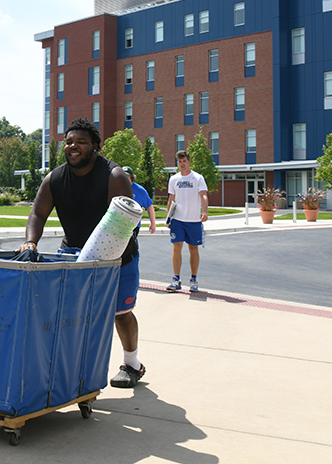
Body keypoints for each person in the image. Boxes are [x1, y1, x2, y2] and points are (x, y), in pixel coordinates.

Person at [18, 117, 145, 388]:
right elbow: (38, 213)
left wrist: (106, 255)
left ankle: (132, 364)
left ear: (96, 146)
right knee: (71, 315)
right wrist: (30, 242)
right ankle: (71, 369)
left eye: (81, 142)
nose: (73, 146)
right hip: (76, 255)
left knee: (119, 313)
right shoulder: (55, 178)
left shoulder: (114, 176)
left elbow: (124, 224)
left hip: (117, 258)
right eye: (69, 142)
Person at [165, 150, 208, 293]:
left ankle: (193, 280)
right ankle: (176, 279)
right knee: (176, 247)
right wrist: (168, 217)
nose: (182, 164)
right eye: (179, 162)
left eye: (184, 161)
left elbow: (203, 196)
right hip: (178, 219)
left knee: (193, 249)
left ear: (189, 162)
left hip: (193, 220)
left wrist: (205, 211)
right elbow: (171, 199)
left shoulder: (197, 178)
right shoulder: (174, 179)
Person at [121, 166, 156, 236]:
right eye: (123, 176)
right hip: (119, 223)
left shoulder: (140, 190)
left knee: (130, 246)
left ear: (131, 177)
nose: (124, 179)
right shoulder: (116, 188)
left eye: (127, 176)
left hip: (133, 225)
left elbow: (149, 207)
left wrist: (153, 223)